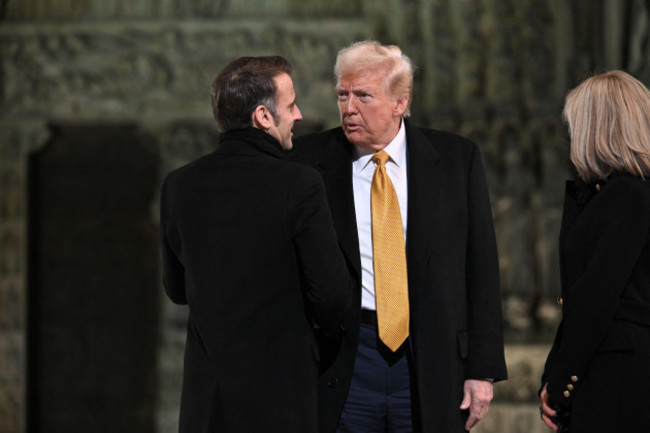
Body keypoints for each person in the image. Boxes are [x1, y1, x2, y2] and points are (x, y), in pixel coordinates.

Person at [290, 40, 507, 433]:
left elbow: (481, 267)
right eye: (343, 94)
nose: (349, 108)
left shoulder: (457, 159)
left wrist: (483, 369)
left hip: (430, 355)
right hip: (344, 358)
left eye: (363, 96)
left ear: (399, 103)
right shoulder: (306, 161)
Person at [160, 56, 352, 433]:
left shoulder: (178, 184)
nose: (298, 115)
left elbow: (177, 289)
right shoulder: (300, 184)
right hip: (281, 399)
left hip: (208, 403)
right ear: (264, 117)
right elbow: (332, 296)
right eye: (291, 105)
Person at [539, 70, 650, 432]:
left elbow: (594, 301)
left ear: (596, 128)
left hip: (615, 377)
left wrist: (560, 385)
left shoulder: (625, 196)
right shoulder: (619, 195)